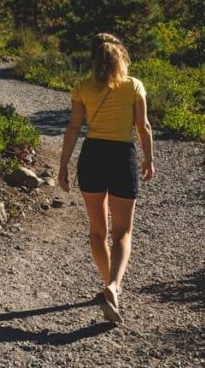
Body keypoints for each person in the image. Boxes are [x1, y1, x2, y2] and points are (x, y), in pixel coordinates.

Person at [58, 33, 154, 324]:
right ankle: (113, 285)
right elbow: (144, 126)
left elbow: (74, 128)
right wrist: (149, 159)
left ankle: (109, 284)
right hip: (122, 157)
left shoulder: (81, 87)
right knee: (122, 232)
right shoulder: (134, 85)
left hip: (92, 156)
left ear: (93, 59)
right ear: (121, 57)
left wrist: (63, 165)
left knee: (97, 231)